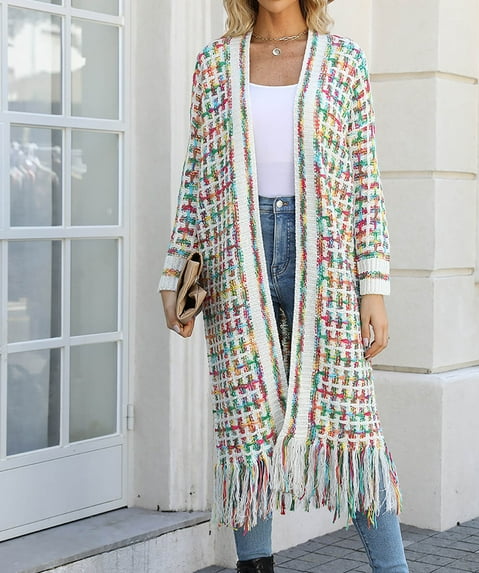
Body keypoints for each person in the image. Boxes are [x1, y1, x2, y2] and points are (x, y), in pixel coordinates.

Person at [159, 1, 409, 571]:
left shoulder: (343, 62)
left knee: (353, 430)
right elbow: (196, 177)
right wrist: (175, 273)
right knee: (246, 434)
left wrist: (372, 285)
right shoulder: (214, 65)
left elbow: (365, 179)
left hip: (325, 265)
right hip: (234, 263)